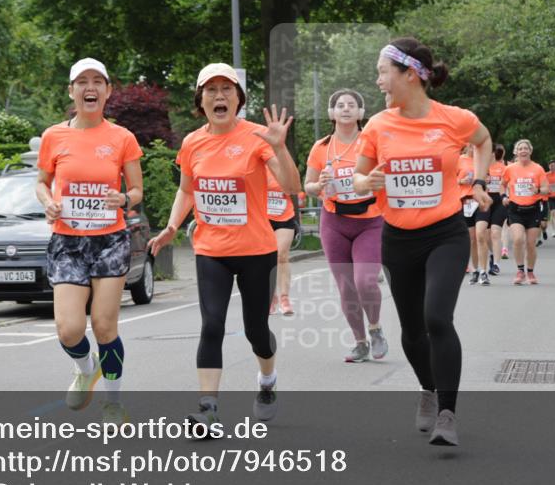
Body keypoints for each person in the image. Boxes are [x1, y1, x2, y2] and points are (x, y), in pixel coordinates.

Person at [353, 37, 493, 446]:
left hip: (445, 234)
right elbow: (358, 177)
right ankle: (428, 389)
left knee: (437, 318)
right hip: (398, 239)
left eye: (382, 72)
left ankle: (448, 413)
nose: (378, 81)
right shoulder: (379, 125)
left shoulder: (454, 119)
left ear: (409, 75)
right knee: (413, 331)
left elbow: (482, 140)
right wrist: (368, 181)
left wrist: (480, 180)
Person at [148, 63, 300, 430]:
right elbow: (187, 189)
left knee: (256, 332)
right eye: (211, 90)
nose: (219, 96)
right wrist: (172, 225)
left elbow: (292, 185)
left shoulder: (259, 137)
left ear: (239, 98)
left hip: (256, 250)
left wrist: (279, 148)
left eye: (227, 89)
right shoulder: (192, 142)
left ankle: (267, 381)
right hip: (211, 250)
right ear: (200, 101)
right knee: (211, 324)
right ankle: (208, 408)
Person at [36, 58, 144, 424]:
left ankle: (113, 401)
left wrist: (125, 199)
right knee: (68, 329)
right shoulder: (54, 136)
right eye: (82, 81)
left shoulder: (122, 137)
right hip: (67, 241)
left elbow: (137, 189)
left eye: (98, 81)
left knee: (103, 325)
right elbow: (40, 181)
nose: (90, 87)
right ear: (71, 91)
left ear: (108, 91)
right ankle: (86, 367)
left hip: (109, 239)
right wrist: (48, 202)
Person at [305, 88, 388, 363]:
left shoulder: (372, 142)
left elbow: (387, 174)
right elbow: (308, 185)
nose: (346, 109)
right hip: (334, 221)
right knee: (345, 286)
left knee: (364, 281)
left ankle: (375, 329)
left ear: (361, 112)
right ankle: (360, 342)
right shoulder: (321, 147)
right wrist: (321, 185)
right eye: (339, 105)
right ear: (331, 113)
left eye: (352, 104)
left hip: (370, 221)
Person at [501, 140, 549, 285]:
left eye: (525, 148)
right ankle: (520, 271)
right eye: (520, 148)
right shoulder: (510, 169)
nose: (523, 151)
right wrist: (504, 196)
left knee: (530, 243)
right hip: (515, 209)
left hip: (533, 209)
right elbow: (502, 185)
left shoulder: (538, 169)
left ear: (530, 151)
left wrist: (538, 190)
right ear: (516, 152)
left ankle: (531, 272)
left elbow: (546, 189)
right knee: (517, 240)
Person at [266, 165, 298, 316]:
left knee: (281, 255)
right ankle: (271, 297)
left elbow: (295, 188)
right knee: (263, 259)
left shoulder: (282, 162)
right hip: (261, 218)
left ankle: (285, 298)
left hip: (283, 216)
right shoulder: (253, 163)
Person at [473, 144, 507, 282]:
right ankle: (492, 254)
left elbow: (509, 184)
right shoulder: (480, 168)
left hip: (499, 202)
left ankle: (496, 265)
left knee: (495, 232)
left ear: (494, 154)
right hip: (484, 201)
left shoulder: (504, 168)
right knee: (482, 233)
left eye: (490, 153)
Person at [458, 145, 482, 285]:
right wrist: (461, 181)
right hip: (464, 201)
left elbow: (488, 178)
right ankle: (473, 268)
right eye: (472, 145)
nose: (475, 148)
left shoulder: (481, 160)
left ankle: (480, 268)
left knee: (480, 235)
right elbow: (448, 180)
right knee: (471, 238)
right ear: (467, 146)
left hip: (478, 200)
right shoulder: (459, 160)